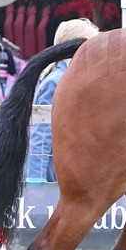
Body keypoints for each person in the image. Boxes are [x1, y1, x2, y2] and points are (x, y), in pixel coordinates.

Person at [25, 18, 100, 182]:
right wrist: (35, 179)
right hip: (54, 175)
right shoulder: (55, 82)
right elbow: (42, 133)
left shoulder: (75, 80)